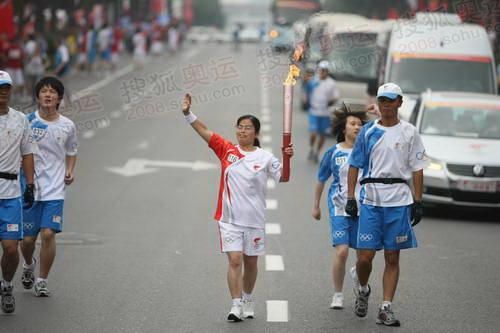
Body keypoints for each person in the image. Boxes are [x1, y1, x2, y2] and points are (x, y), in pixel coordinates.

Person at [181, 93, 293, 322]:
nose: (242, 131)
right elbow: (204, 131)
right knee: (235, 260)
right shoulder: (226, 150)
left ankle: (249, 297)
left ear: (256, 133)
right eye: (240, 127)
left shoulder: (265, 157)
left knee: (251, 262)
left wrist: (287, 157)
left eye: (247, 128)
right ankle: (236, 304)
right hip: (229, 219)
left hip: (254, 219)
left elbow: (284, 177)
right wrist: (187, 114)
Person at [345, 83, 428, 327]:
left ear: (400, 102)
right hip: (371, 198)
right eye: (382, 100)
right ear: (378, 103)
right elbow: (354, 165)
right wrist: (351, 198)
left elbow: (417, 167)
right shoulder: (368, 132)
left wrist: (419, 201)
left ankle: (386, 307)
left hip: (399, 199)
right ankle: (362, 288)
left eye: (391, 100)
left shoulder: (410, 132)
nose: (386, 105)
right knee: (365, 258)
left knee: (393, 256)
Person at [20, 76, 78, 297]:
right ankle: (28, 264)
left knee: (47, 234)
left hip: (55, 189)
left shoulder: (67, 126)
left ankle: (42, 280)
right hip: (29, 187)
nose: (48, 95)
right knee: (26, 241)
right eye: (44, 91)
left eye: (52, 92)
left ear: (59, 98)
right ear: (37, 96)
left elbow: (72, 152)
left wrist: (70, 170)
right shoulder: (26, 122)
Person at [312, 103, 367, 309]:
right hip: (339, 206)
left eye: (360, 124)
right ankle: (338, 294)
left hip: (365, 208)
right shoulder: (334, 152)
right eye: (352, 124)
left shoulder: (367, 152)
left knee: (363, 256)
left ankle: (359, 277)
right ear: (343, 129)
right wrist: (316, 206)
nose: (357, 127)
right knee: (342, 251)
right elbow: (321, 178)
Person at [0, 70, 35, 313]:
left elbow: (27, 153)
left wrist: (30, 185)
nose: (3, 91)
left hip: (11, 192)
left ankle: (6, 285)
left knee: (11, 249)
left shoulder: (20, 119)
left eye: (6, 87)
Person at [307, 60, 340, 163]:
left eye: (325, 70)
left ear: (328, 71)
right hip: (314, 111)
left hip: (325, 113)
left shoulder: (331, 83)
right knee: (313, 132)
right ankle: (311, 148)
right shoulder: (313, 81)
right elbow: (307, 91)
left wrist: (331, 102)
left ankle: (317, 152)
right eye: (322, 70)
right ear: (319, 70)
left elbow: (336, 97)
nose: (323, 72)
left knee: (322, 135)